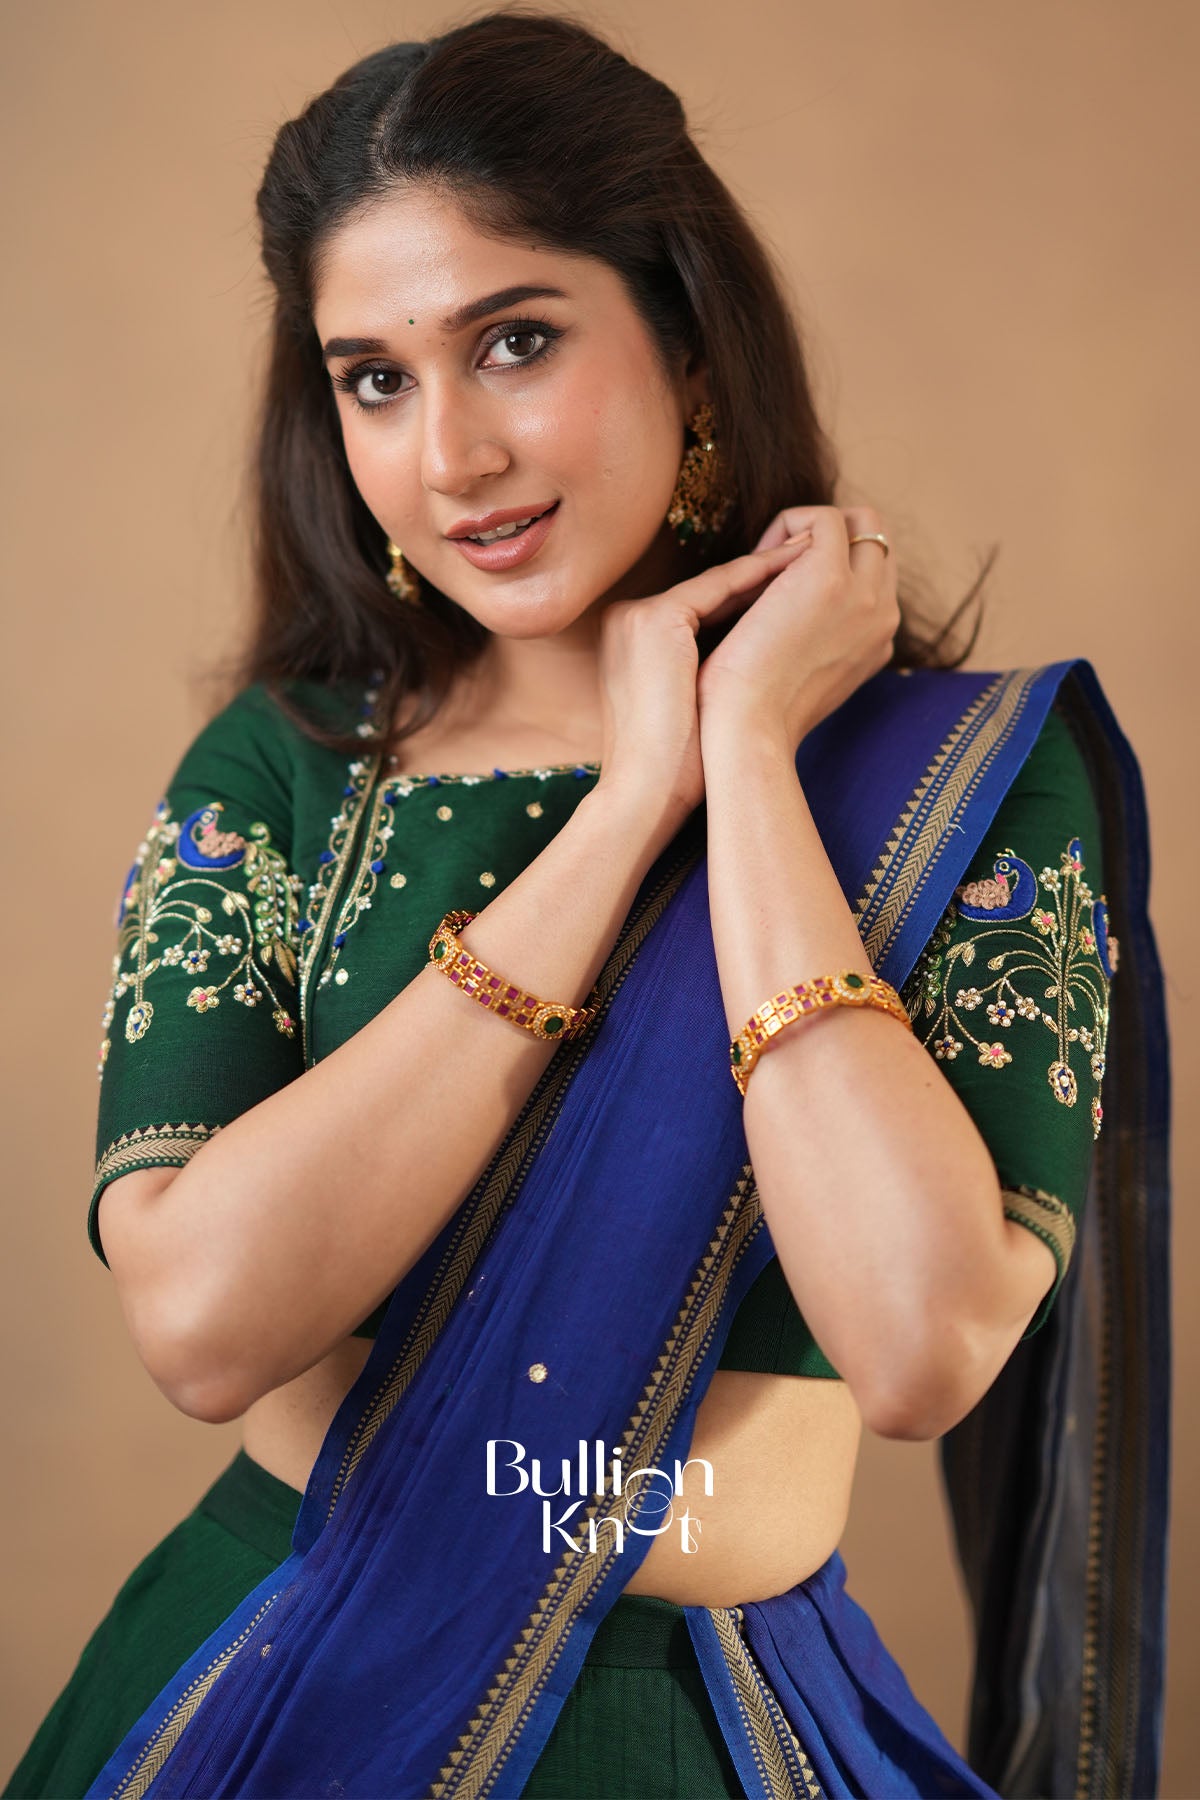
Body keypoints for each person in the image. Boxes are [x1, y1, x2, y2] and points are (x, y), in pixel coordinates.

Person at [5, 12, 1169, 1799]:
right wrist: (633, 807)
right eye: (374, 377)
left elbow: (923, 1338)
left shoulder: (958, 787)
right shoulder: (293, 772)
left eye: (516, 342)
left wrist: (755, 759)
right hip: (291, 1682)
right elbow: (204, 1324)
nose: (450, 453)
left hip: (706, 1731)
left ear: (691, 347)